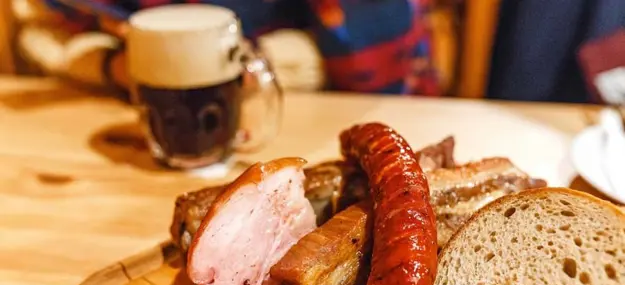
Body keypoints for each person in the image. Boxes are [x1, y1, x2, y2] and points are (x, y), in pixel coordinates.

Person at [14, 0, 452, 97]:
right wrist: (112, 66)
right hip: (123, 115)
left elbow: (381, 53)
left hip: (316, 107)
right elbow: (44, 31)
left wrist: (254, 65)